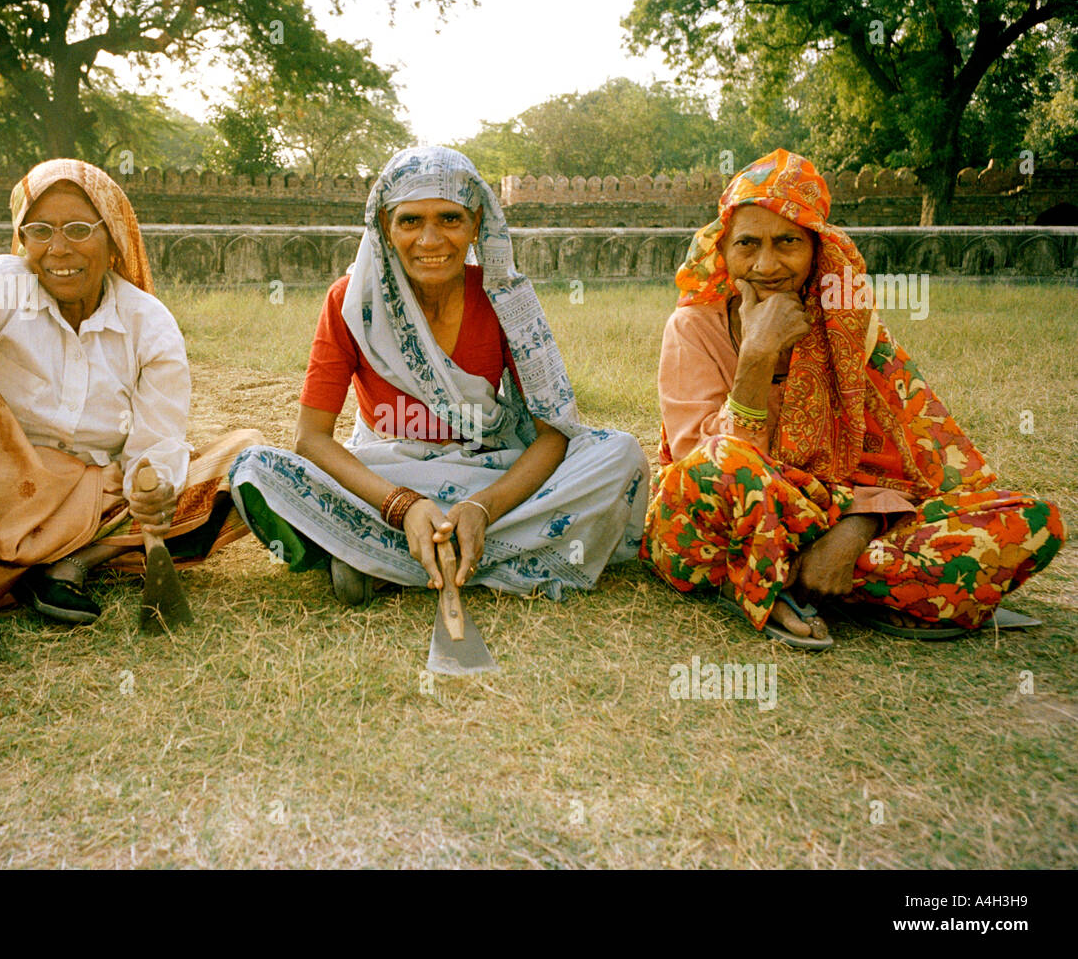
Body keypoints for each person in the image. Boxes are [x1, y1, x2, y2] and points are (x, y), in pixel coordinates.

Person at [0, 158, 262, 669]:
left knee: (247, 460)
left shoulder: (148, 322)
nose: (58, 249)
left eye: (79, 229)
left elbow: (158, 437)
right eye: (39, 230)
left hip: (90, 501)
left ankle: (71, 565)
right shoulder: (1, 287)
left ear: (114, 243)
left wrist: (150, 485)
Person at [642, 148, 1065, 649]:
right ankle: (844, 588)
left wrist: (856, 528)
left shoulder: (851, 331)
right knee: (726, 459)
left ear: (818, 250)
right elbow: (702, 465)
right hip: (718, 525)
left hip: (830, 515)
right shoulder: (692, 327)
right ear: (722, 251)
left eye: (788, 243)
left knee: (1028, 521)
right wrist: (757, 355)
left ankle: (803, 577)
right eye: (747, 244)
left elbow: (903, 468)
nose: (766, 264)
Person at [229, 146, 649, 605]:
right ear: (385, 229)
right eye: (410, 221)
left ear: (475, 226)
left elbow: (552, 435)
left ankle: (381, 557)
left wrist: (482, 508)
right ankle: (463, 551)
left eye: (449, 219)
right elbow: (312, 439)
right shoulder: (351, 302)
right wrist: (401, 505)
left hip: (486, 470)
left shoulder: (505, 299)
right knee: (255, 468)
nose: (430, 240)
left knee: (620, 455)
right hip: (386, 474)